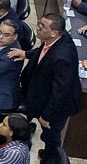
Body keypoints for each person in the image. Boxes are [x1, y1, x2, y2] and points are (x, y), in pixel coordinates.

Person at [12, 16, 82, 154]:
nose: (37, 27)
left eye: (42, 26)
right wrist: (26, 54)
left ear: (54, 32)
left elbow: (60, 92)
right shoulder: (55, 39)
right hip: (42, 94)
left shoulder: (62, 57)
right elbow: (42, 51)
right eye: (39, 23)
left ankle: (51, 160)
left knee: (50, 134)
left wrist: (46, 116)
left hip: (57, 106)